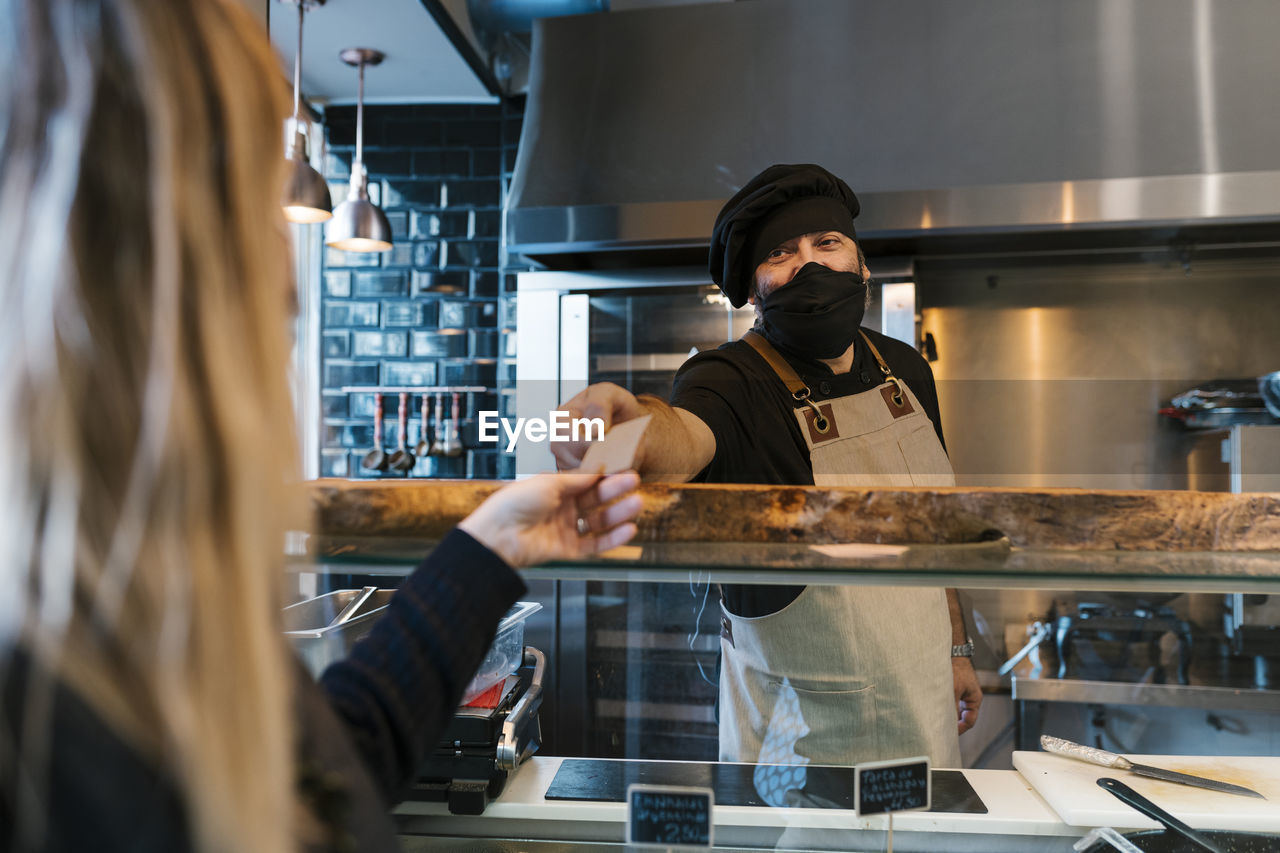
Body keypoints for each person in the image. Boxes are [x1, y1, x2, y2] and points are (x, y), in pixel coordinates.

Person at [0, 2, 641, 851]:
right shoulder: (51, 733)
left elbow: (323, 768)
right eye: (248, 192)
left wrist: (491, 548)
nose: (285, 274)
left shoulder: (136, 623)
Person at [552, 163, 982, 769]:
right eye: (781, 253)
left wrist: (957, 648)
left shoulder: (905, 370)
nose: (809, 265)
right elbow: (684, 436)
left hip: (924, 714)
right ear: (755, 289)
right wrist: (635, 431)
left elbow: (937, 530)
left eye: (827, 244)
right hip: (799, 747)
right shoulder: (730, 378)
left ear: (862, 266)